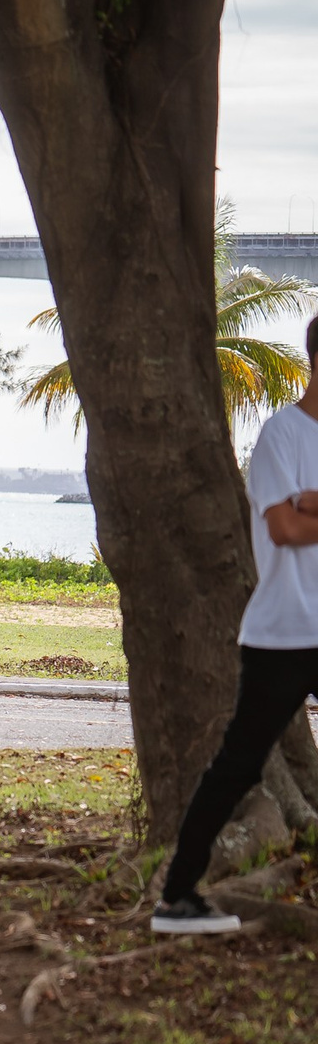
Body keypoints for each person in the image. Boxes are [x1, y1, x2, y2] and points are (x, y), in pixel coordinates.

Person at [153, 316, 318, 933]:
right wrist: (301, 509)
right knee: (238, 766)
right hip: (284, 634)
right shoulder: (282, 435)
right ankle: (177, 898)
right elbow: (285, 527)